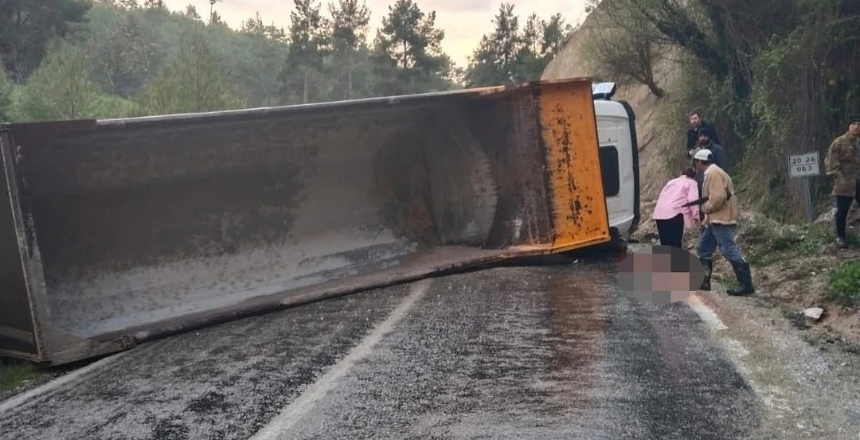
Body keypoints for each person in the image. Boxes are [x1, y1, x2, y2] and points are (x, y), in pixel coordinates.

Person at [692, 148, 754, 296]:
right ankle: (704, 281)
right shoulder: (715, 172)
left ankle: (746, 285)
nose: (696, 164)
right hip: (715, 219)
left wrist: (705, 208)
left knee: (729, 249)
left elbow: (717, 197)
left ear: (700, 162)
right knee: (703, 247)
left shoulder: (713, 174)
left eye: (696, 161)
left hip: (721, 219)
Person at [824, 114, 860, 249]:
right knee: (842, 211)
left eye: (859, 124)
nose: (857, 127)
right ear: (849, 126)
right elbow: (831, 163)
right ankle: (841, 237)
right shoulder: (840, 142)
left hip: (858, 180)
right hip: (845, 182)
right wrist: (838, 178)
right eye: (854, 124)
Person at [652, 167, 701, 248]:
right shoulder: (692, 183)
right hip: (674, 214)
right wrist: (696, 216)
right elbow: (692, 200)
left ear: (682, 174)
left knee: (665, 243)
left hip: (659, 213)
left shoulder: (672, 182)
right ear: (693, 176)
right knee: (675, 243)